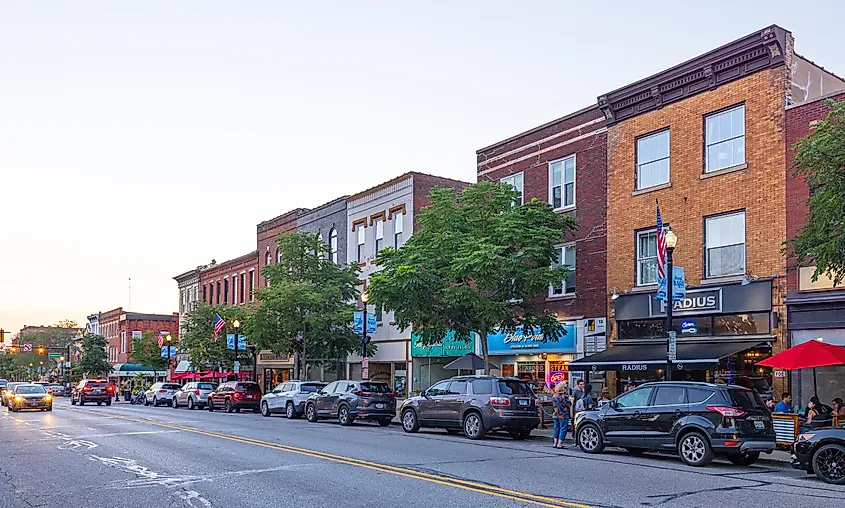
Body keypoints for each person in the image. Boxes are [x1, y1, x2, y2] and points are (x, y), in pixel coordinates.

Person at [551, 383, 571, 449]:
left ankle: (555, 443)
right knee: (563, 428)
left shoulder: (554, 395)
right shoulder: (564, 396)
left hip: (556, 414)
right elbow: (568, 403)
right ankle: (559, 444)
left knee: (556, 428)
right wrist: (571, 400)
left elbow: (554, 405)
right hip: (563, 413)